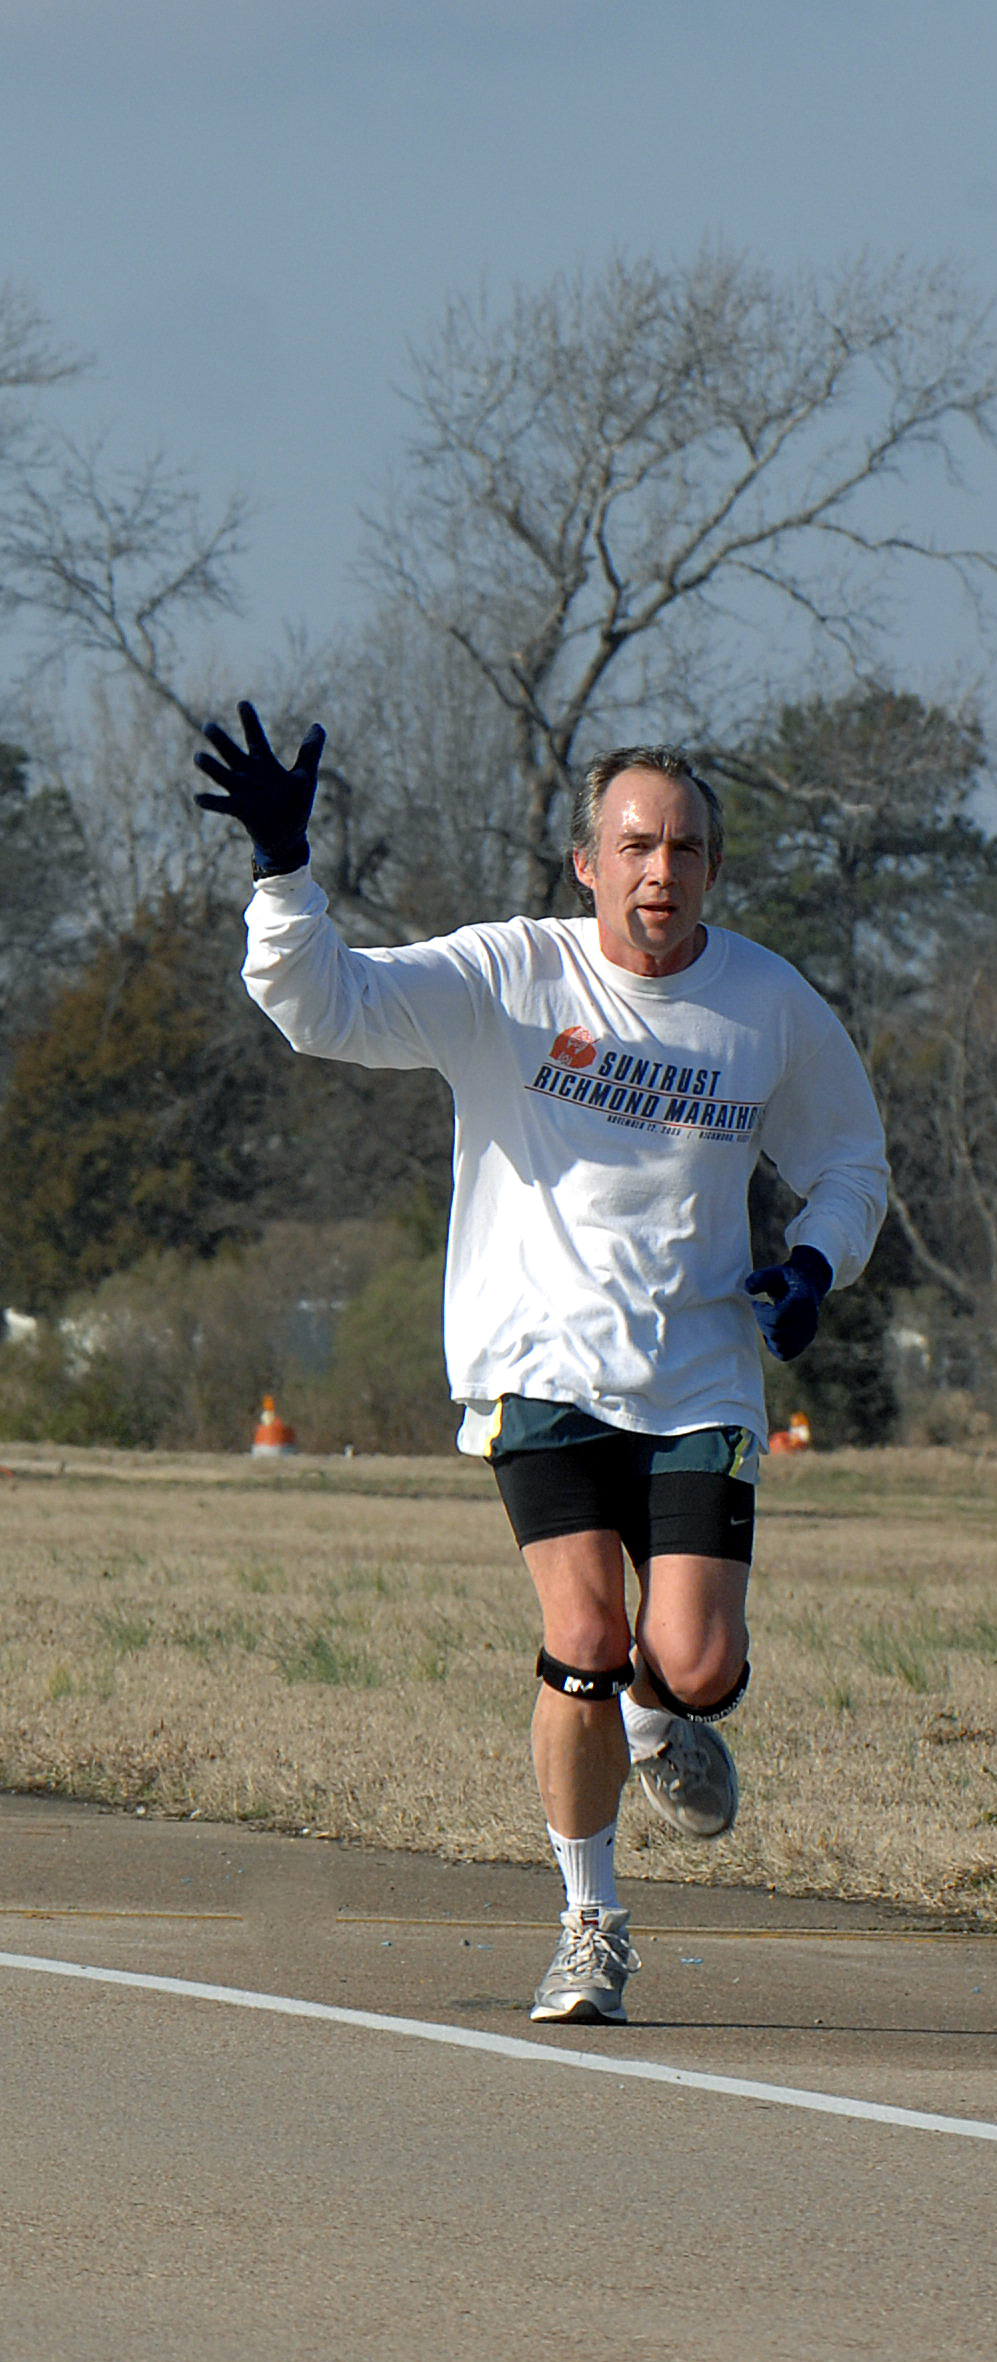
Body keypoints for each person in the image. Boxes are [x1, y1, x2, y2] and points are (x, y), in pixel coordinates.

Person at [199, 706, 887, 2024]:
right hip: (540, 1365)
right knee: (582, 1634)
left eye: (682, 849)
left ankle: (658, 1710)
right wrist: (282, 874)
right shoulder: (508, 976)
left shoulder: (766, 1003)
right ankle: (589, 1921)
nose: (658, 871)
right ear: (586, 863)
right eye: (633, 845)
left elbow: (847, 1162)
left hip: (697, 1376)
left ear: (711, 868)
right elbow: (320, 1005)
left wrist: (814, 1263)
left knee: (695, 1661)